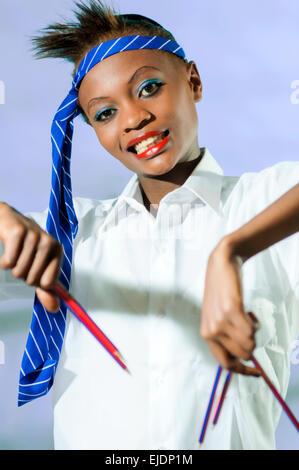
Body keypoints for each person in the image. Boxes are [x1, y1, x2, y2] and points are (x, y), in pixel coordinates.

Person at [0, 0, 298, 450]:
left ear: (193, 81)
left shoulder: (266, 200)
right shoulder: (70, 235)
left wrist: (233, 249)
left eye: (149, 87)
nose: (134, 119)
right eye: (104, 113)